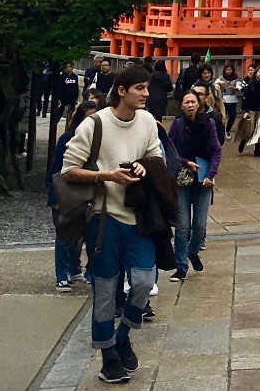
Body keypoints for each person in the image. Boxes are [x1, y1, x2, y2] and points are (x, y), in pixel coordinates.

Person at [60, 63, 165, 385]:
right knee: (106, 288)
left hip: (139, 215)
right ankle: (108, 355)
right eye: (140, 89)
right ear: (122, 90)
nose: (147, 94)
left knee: (145, 281)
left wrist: (146, 167)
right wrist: (106, 174)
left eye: (147, 88)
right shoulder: (96, 124)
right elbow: (68, 169)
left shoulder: (147, 121)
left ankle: (123, 336)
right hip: (104, 215)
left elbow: (156, 156)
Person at [168, 90, 220, 280]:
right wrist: (184, 161)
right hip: (183, 180)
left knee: (199, 226)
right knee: (182, 227)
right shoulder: (178, 125)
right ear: (181, 105)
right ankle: (181, 266)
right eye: (186, 102)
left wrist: (211, 173)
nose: (190, 105)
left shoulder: (209, 123)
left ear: (199, 104)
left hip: (203, 179)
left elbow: (216, 151)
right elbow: (170, 150)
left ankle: (192, 251)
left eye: (193, 102)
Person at [48, 101, 93, 293]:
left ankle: (76, 269)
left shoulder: (96, 140)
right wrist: (54, 197)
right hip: (66, 193)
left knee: (84, 234)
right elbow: (55, 169)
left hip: (87, 193)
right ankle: (62, 274)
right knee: (64, 234)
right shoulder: (67, 138)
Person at [240, 68, 260, 156]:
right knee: (250, 129)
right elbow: (245, 97)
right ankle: (243, 141)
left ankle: (257, 150)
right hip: (251, 108)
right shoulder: (250, 84)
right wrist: (245, 110)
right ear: (256, 73)